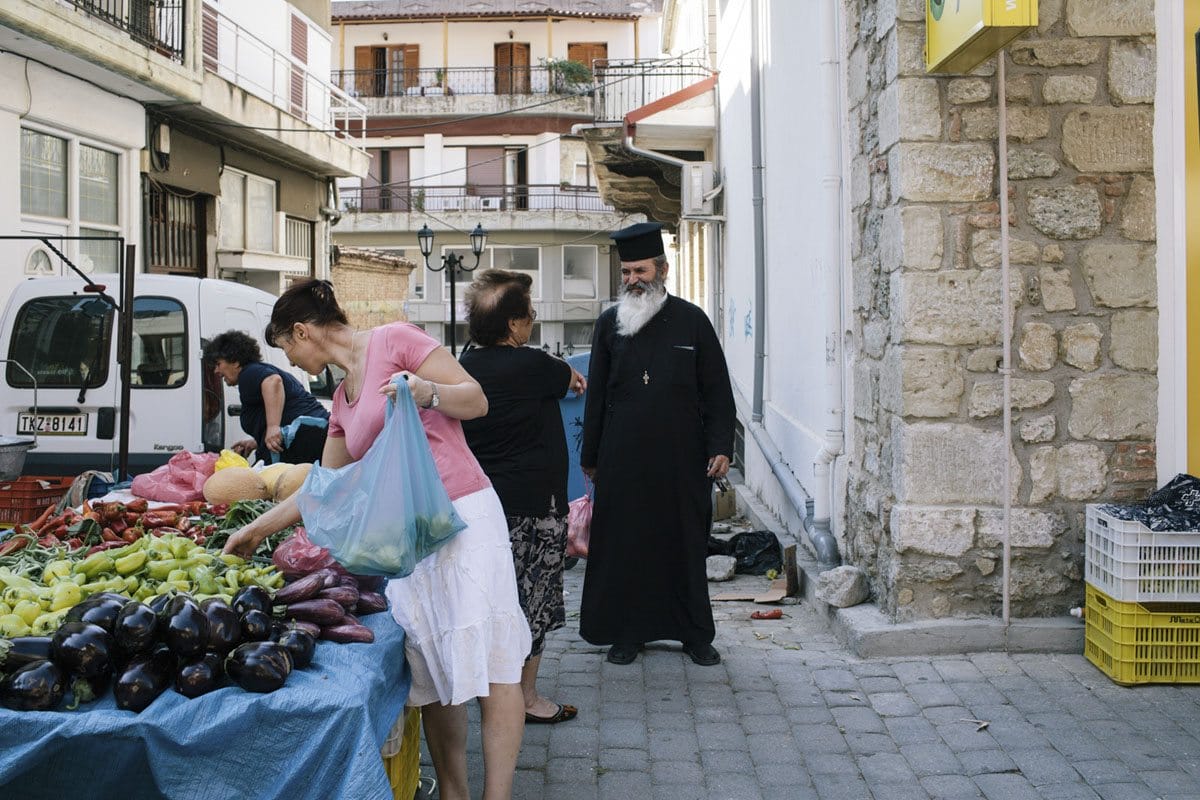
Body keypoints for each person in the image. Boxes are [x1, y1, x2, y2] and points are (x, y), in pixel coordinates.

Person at [221, 280, 531, 800]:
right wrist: (254, 529)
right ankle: (455, 792)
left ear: (301, 331)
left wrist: (424, 391)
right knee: (434, 671)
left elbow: (475, 401)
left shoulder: (396, 339)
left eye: (288, 348)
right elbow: (327, 487)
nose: (293, 363)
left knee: (494, 660)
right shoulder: (340, 400)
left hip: (464, 517)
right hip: (407, 545)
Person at [579, 221, 736, 667]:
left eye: (640, 270)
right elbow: (597, 397)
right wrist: (590, 457)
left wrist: (720, 446)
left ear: (662, 269)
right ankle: (628, 633)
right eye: (626, 272)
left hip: (683, 458)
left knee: (684, 543)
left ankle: (693, 635)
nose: (632, 280)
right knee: (626, 545)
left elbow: (717, 391)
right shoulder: (610, 324)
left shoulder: (693, 321)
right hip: (622, 458)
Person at [459, 269, 588, 725]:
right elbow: (572, 379)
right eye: (529, 316)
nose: (531, 323)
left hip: (477, 506)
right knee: (532, 602)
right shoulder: (534, 365)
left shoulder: (462, 366)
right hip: (534, 506)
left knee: (487, 599)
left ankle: (485, 690)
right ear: (513, 325)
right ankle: (526, 698)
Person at [202, 330, 329, 464]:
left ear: (234, 361)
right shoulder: (255, 372)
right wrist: (257, 442)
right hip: (312, 435)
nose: (216, 371)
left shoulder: (249, 372)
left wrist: (273, 428)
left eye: (218, 364)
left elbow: (273, 381)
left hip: (305, 439)